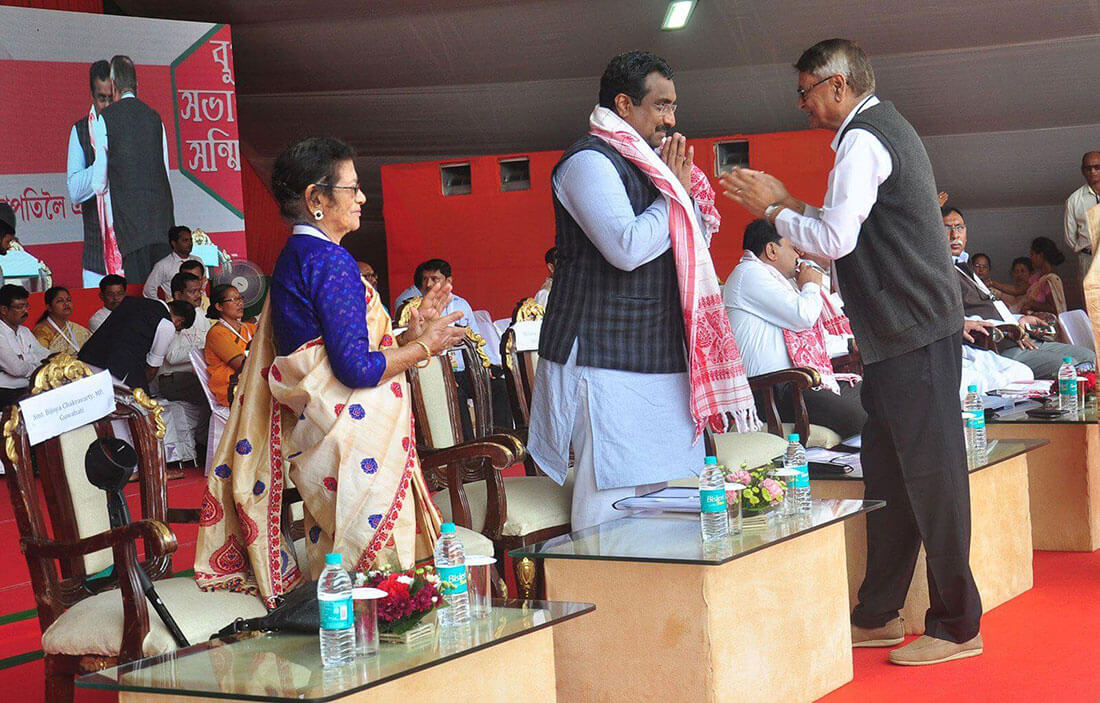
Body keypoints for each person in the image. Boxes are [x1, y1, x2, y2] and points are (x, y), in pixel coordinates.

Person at [720, 38, 981, 665]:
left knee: (933, 475)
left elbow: (834, 238)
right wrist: (788, 205)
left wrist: (776, 206)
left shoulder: (865, 139)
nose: (803, 105)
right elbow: (846, 230)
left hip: (911, 330)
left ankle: (957, 624)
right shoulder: (880, 129)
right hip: (901, 333)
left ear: (837, 85)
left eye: (806, 91)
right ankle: (878, 612)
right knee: (890, 473)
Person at [195, 137, 466, 604]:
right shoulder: (330, 261)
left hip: (325, 434)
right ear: (317, 200)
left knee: (343, 564)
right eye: (353, 188)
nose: (362, 198)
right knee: (381, 584)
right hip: (351, 439)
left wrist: (405, 336)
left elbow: (332, 353)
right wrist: (423, 347)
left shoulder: (296, 258)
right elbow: (356, 368)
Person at [528, 51, 759, 531]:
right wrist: (675, 193)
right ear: (624, 105)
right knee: (609, 496)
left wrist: (677, 193)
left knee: (667, 491)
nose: (671, 119)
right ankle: (604, 597)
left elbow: (685, 236)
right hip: (601, 355)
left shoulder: (652, 168)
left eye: (674, 107)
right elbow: (627, 247)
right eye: (661, 106)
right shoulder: (587, 162)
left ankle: (650, 599)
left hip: (660, 351)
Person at [724, 220, 866, 442]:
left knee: (879, 396)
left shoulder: (774, 281)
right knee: (869, 409)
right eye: (793, 247)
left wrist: (850, 344)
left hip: (794, 384)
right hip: (774, 391)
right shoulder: (749, 273)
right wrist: (811, 285)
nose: (799, 253)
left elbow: (810, 342)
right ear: (771, 250)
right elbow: (804, 317)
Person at [945, 207, 1092, 378]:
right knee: (1071, 369)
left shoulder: (965, 267)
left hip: (1022, 337)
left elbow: (992, 307)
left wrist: (1018, 320)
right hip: (1001, 346)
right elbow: (944, 317)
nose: (955, 235)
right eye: (947, 228)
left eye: (959, 227)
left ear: (966, 232)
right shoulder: (941, 272)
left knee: (1090, 357)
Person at [90, 55, 174, 284]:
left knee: (141, 291)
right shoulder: (154, 117)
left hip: (131, 226)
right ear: (137, 85)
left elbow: (98, 183)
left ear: (114, 86)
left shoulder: (105, 118)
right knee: (166, 291)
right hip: (162, 223)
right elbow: (164, 171)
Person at [65, 59, 117, 289]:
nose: (107, 105)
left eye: (111, 97)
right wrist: (105, 155)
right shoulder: (80, 131)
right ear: (92, 95)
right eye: (101, 98)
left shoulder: (134, 129)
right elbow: (75, 192)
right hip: (97, 260)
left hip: (132, 256)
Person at [79, 296, 194, 390]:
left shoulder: (132, 300)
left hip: (87, 362)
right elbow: (152, 368)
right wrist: (142, 391)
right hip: (115, 373)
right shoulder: (167, 325)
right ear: (179, 322)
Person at [157, 272, 211, 408]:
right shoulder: (170, 316)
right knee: (213, 393)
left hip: (196, 374)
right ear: (178, 295)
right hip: (173, 378)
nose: (199, 295)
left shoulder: (202, 315)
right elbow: (172, 356)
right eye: (193, 292)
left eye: (199, 290)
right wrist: (204, 350)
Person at [202, 284, 256, 407]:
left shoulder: (248, 328)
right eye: (233, 300)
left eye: (240, 298)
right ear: (219, 306)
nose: (240, 303)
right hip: (232, 389)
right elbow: (242, 365)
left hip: (251, 382)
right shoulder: (217, 333)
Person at [0, 285, 49, 407]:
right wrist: (37, 365)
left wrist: (25, 358)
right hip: (6, 395)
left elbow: (46, 355)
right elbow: (16, 369)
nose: (25, 311)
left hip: (30, 389)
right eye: (19, 307)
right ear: (4, 310)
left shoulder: (25, 331)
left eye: (26, 306)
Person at [1064, 151, 1100, 282]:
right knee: (1092, 301)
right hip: (1088, 259)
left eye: (1097, 167)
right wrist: (1086, 250)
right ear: (1082, 171)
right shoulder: (1074, 200)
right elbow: (1070, 237)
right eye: (1088, 168)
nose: (1093, 172)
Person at [144, 226, 199, 300]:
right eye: (185, 240)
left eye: (191, 240)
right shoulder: (163, 265)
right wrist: (161, 306)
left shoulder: (198, 260)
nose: (190, 243)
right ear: (174, 243)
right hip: (176, 308)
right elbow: (148, 290)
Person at [32, 287, 92, 354]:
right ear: (49, 307)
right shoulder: (42, 331)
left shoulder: (77, 329)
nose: (66, 303)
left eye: (68, 300)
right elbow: (42, 359)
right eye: (60, 301)